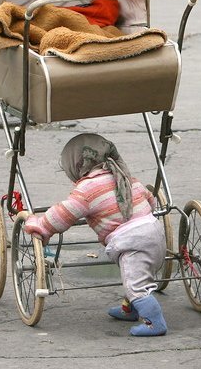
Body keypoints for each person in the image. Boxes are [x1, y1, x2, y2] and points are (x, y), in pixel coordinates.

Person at [24, 133, 167, 337]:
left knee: (137, 285)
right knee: (138, 275)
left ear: (77, 165)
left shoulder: (87, 190)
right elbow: (150, 200)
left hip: (132, 242)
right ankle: (130, 309)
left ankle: (155, 323)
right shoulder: (126, 177)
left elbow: (63, 214)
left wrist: (39, 224)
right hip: (154, 232)